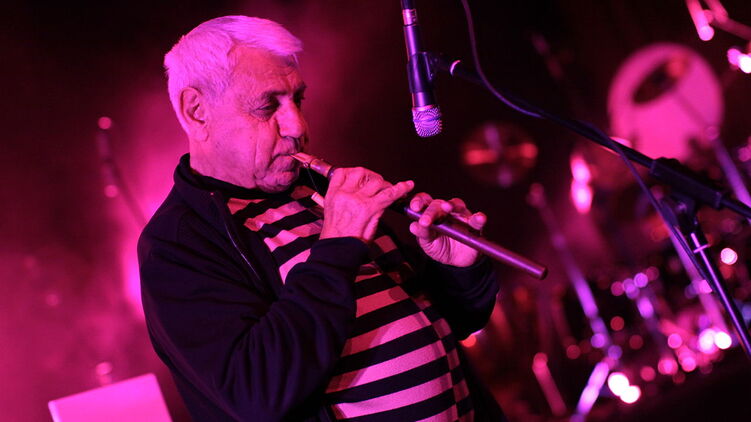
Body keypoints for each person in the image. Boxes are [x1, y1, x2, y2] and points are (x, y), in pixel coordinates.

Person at [138, 15, 505, 421]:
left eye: (297, 100)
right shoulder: (177, 242)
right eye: (267, 105)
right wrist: (337, 248)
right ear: (197, 111)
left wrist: (456, 269)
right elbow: (256, 392)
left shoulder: (321, 190)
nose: (297, 126)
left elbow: (445, 324)